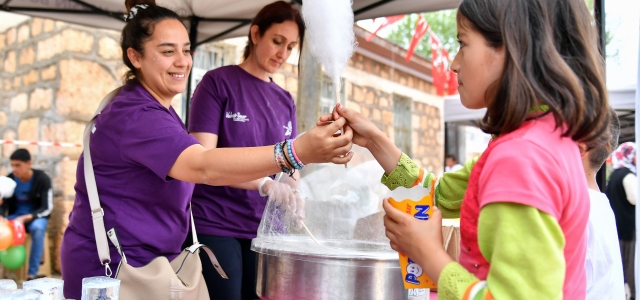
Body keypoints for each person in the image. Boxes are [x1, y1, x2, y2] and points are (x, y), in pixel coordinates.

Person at [59, 0, 353, 298]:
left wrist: (294, 189)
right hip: (116, 268)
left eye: (186, 50)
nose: (182, 61)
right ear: (135, 56)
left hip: (154, 260)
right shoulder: (138, 114)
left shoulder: (160, 110)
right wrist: (292, 153)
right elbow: (203, 165)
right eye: (167, 51)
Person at [321, 0, 609, 298]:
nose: (453, 63)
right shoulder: (546, 138)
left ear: (512, 47)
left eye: (463, 43)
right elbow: (440, 194)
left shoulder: (521, 158)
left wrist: (426, 253)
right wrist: (375, 141)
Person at [186, 2, 304, 299]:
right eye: (277, 42)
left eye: (291, 47)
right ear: (255, 34)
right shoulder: (217, 83)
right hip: (215, 219)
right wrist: (262, 182)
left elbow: (290, 164)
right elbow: (199, 160)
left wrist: (296, 191)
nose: (283, 54)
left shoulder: (285, 100)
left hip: (265, 229)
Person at [0, 149, 53, 280]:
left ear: (28, 163)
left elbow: (47, 207)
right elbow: (3, 204)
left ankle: (32, 274)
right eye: (12, 165)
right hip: (14, 217)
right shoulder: (10, 180)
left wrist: (25, 218)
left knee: (38, 229)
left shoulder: (42, 179)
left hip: (35, 217)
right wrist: (2, 217)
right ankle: (5, 272)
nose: (14, 169)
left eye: (18, 165)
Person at [606, 141, 637, 300]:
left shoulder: (614, 174)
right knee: (630, 263)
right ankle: (632, 294)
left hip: (616, 226)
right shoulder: (628, 175)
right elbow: (634, 199)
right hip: (628, 228)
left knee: (620, 263)